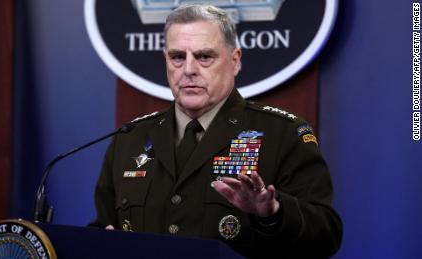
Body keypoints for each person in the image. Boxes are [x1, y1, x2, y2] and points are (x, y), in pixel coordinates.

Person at [91, 4, 342, 258]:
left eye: (204, 57)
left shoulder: (283, 134)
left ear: (234, 61)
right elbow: (103, 227)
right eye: (178, 57)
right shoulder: (130, 138)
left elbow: (326, 236)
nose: (188, 69)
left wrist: (273, 214)